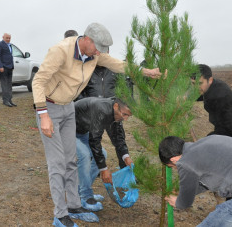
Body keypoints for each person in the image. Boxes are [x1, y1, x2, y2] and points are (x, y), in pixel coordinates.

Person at [32, 22, 163, 227]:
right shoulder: (61, 51)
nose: (99, 54)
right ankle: (60, 214)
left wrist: (145, 71)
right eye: (97, 49)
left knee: (70, 161)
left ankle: (75, 205)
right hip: (50, 108)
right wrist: (43, 115)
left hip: (68, 108)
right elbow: (38, 81)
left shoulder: (93, 55)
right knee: (57, 164)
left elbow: (119, 64)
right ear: (87, 40)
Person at [158, 135, 232, 226]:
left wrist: (179, 202)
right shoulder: (205, 143)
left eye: (172, 166)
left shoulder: (185, 161)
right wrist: (182, 192)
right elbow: (210, 180)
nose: (176, 168)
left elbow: (185, 203)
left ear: (174, 159)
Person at [75, 97, 133, 211]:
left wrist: (126, 156)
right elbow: (94, 140)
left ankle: (82, 190)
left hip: (82, 131)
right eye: (124, 114)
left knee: (103, 155)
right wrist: (103, 169)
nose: (125, 119)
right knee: (84, 155)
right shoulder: (102, 110)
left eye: (128, 116)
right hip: (67, 129)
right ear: (116, 106)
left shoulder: (115, 114)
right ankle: (85, 196)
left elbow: (118, 137)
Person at [196, 64, 232, 145]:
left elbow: (226, 129)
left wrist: (207, 139)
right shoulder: (212, 86)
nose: (195, 87)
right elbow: (201, 93)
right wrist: (186, 98)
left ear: (210, 80)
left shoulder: (220, 96)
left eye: (199, 83)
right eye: (193, 83)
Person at [0, 33, 16, 107]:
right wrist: (0, 66)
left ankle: (10, 99)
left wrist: (12, 66)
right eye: (6, 38)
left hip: (10, 67)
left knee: (9, 84)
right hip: (3, 67)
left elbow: (10, 56)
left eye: (9, 38)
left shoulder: (10, 45)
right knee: (4, 85)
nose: (8, 39)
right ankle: (5, 100)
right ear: (3, 37)